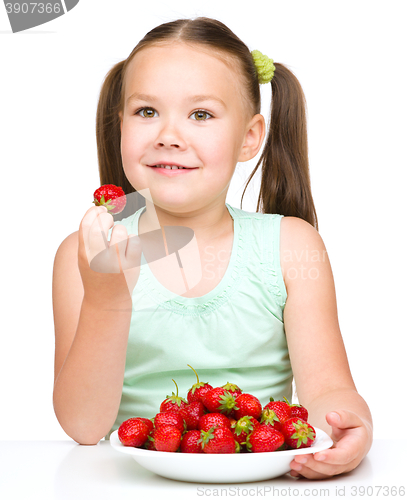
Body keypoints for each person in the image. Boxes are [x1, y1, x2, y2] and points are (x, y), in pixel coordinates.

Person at [52, 17, 373, 479]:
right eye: (146, 112)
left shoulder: (290, 246)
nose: (168, 134)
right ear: (119, 123)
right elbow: (84, 427)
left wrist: (350, 429)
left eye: (200, 114)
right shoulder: (80, 254)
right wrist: (107, 298)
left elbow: (328, 391)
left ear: (249, 137)